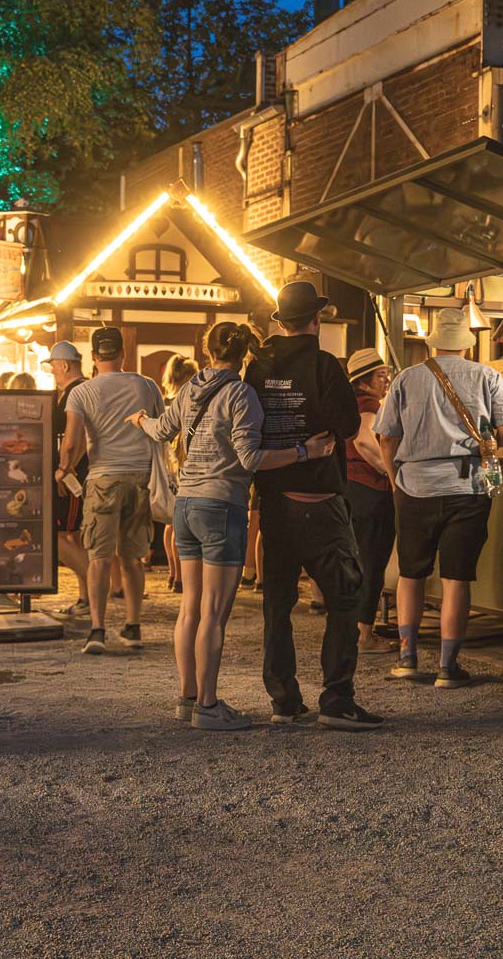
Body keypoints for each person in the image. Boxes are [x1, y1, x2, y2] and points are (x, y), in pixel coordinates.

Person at [128, 322, 331, 731]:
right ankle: (208, 706)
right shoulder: (242, 394)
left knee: (189, 609)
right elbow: (250, 459)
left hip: (185, 505)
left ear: (207, 349)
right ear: (243, 354)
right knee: (214, 615)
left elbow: (162, 430)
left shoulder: (189, 388)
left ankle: (188, 700)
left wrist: (139, 421)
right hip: (221, 507)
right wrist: (304, 451)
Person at [244, 280, 381, 730]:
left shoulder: (258, 367)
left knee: (277, 602)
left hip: (273, 501)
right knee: (345, 598)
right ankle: (336, 699)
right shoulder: (325, 365)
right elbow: (346, 427)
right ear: (316, 320)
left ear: (281, 321)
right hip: (320, 501)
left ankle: (283, 699)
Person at [375, 307, 503, 689]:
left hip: (415, 485)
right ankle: (447, 667)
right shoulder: (487, 376)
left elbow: (387, 437)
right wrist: (485, 441)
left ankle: (407, 659)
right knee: (457, 578)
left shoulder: (406, 379)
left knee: (411, 573)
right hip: (467, 486)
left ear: (434, 340)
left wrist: (395, 480)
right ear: (466, 345)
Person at [57, 326, 162, 655]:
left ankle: (98, 630)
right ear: (122, 354)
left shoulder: (82, 393)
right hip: (141, 477)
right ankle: (133, 627)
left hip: (102, 478)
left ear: (92, 357)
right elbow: (162, 427)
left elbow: (72, 442)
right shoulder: (147, 386)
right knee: (132, 557)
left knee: (99, 558)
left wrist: (64, 470)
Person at [345, 349, 398, 654]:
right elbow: (364, 440)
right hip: (371, 491)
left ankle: (354, 629)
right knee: (372, 564)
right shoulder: (369, 404)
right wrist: (389, 471)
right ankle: (365, 636)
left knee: (358, 563)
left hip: (352, 489)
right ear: (363, 382)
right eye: (380, 375)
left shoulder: (350, 404)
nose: (385, 379)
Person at [43, 342, 91, 620]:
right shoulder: (75, 391)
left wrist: (65, 468)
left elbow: (78, 437)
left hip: (73, 476)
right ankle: (86, 597)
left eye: (53, 367)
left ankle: (94, 585)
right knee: (75, 537)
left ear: (64, 365)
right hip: (75, 473)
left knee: (58, 535)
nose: (52, 373)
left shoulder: (76, 392)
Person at [159, 354, 199, 592]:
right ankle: (181, 578)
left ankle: (173, 574)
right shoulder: (186, 401)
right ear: (186, 377)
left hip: (169, 465)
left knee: (171, 524)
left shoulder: (166, 400)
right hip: (182, 463)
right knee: (181, 524)